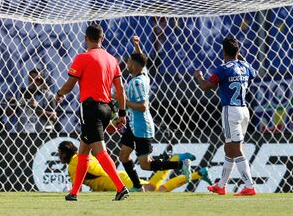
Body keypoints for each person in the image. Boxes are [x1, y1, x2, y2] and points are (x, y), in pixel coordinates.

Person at [54, 23, 129, 201]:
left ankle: (120, 187)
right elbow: (120, 90)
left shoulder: (82, 58)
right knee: (83, 152)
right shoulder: (112, 60)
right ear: (102, 38)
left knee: (99, 151)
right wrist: (122, 113)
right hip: (107, 109)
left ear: (86, 38)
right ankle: (74, 193)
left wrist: (59, 94)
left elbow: (70, 84)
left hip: (90, 109)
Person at [119, 36, 193, 192]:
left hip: (141, 127)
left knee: (146, 165)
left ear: (134, 65)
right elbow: (142, 62)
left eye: (129, 61)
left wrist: (123, 100)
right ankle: (137, 186)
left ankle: (180, 164)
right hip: (133, 125)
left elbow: (143, 106)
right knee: (124, 156)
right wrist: (137, 46)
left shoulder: (137, 82)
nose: (127, 63)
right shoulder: (143, 74)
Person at [194, 36, 257, 196]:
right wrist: (238, 56)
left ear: (223, 51)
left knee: (236, 149)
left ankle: (249, 186)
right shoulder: (245, 66)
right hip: (244, 111)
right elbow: (253, 73)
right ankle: (221, 185)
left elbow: (206, 87)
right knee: (229, 148)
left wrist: (199, 77)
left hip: (231, 111)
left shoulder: (222, 69)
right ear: (238, 51)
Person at [57, 140, 205, 193]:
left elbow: (78, 190)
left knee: (156, 190)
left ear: (64, 154)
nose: (58, 157)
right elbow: (96, 175)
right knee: (154, 187)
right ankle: (182, 163)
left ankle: (191, 170)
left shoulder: (73, 165)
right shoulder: (85, 156)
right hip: (120, 177)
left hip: (119, 183)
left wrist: (69, 192)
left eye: (59, 154)